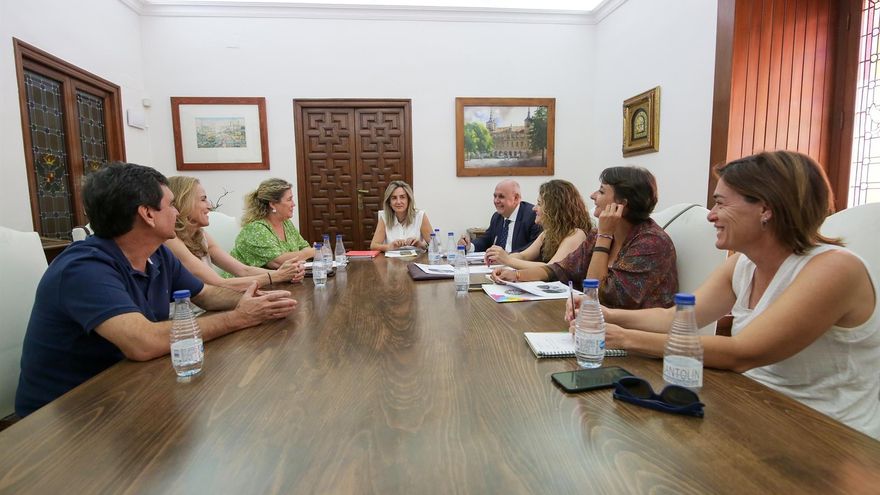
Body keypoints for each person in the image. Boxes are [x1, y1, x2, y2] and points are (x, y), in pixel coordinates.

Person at [575, 151, 878, 439]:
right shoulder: (743, 264)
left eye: (720, 204)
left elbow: (741, 352)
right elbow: (673, 319)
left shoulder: (835, 268)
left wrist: (620, 338)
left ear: (766, 208)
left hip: (829, 435)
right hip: (755, 409)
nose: (712, 216)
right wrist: (606, 315)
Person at [15, 163, 297, 417]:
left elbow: (207, 295)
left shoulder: (157, 253)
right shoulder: (84, 267)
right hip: (68, 416)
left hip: (129, 388)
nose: (177, 213)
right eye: (171, 205)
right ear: (147, 214)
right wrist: (239, 317)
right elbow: (143, 341)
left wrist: (258, 300)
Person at [493, 166, 677, 309]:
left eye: (602, 191)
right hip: (599, 327)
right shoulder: (598, 234)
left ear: (621, 204)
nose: (593, 195)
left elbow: (599, 294)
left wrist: (605, 235)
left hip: (636, 345)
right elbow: (560, 269)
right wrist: (516, 275)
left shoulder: (651, 242)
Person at [165, 176, 305, 291]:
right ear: (184, 202)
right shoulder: (170, 240)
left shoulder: (200, 234)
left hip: (215, 301)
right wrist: (278, 276)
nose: (210, 205)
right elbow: (219, 283)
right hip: (190, 315)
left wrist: (285, 274)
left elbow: (243, 270)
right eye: (203, 199)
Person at [485, 179, 591, 269]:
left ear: (555, 209)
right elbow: (523, 256)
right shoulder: (547, 233)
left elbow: (551, 268)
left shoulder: (576, 234)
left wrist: (507, 260)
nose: (534, 208)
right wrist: (498, 258)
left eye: (539, 204)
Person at [230, 178, 316, 269]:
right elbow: (278, 262)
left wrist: (308, 252)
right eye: (289, 199)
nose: (293, 204)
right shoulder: (256, 229)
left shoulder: (286, 223)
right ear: (273, 204)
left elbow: (304, 246)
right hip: (242, 281)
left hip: (275, 280)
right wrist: (312, 252)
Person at [459, 179, 542, 254]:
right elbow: (486, 240)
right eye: (495, 196)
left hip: (520, 266)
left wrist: (507, 257)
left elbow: (533, 248)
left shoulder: (532, 216)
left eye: (501, 196)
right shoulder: (497, 217)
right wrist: (469, 245)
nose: (496, 201)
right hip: (499, 266)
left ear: (516, 198)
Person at [370, 180, 434, 251]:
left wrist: (420, 244)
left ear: (408, 200)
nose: (398, 202)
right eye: (394, 198)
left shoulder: (420, 215)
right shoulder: (384, 216)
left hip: (416, 259)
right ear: (389, 202)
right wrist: (389, 247)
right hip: (392, 261)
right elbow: (373, 246)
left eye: (402, 197)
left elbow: (434, 244)